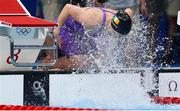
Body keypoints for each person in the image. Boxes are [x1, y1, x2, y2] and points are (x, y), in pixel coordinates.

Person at [44, 0, 133, 71]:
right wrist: (57, 30)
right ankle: (50, 63)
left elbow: (129, 10)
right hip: (66, 28)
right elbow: (68, 8)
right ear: (111, 26)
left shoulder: (120, 16)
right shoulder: (91, 19)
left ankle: (56, 61)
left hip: (81, 33)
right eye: (115, 33)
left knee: (96, 61)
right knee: (80, 63)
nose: (115, 36)